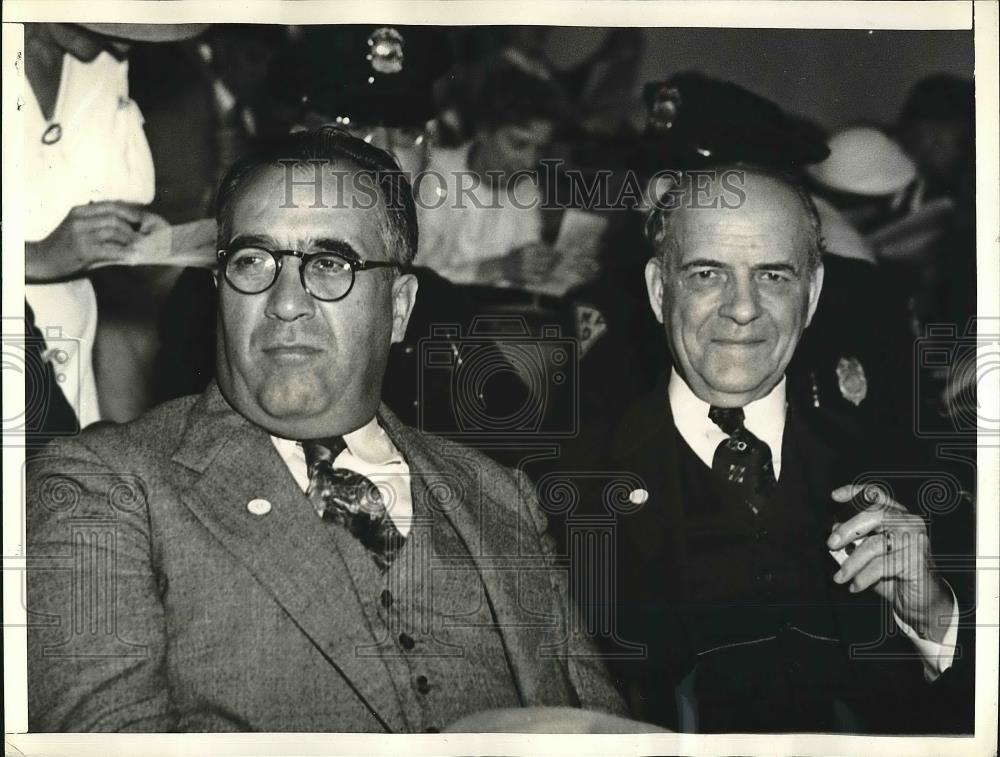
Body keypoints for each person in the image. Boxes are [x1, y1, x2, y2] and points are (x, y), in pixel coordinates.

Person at [25, 128, 642, 733]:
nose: (286, 300)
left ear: (399, 308)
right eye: (251, 260)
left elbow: (598, 729)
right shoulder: (104, 486)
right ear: (220, 292)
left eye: (329, 263)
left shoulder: (503, 495)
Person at [563, 166, 973, 733]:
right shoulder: (563, 489)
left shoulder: (907, 474)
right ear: (660, 291)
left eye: (773, 277)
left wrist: (933, 618)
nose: (743, 308)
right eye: (707, 274)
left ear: (813, 293)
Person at [23, 22, 208, 439]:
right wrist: (34, 256)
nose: (125, 42)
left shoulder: (104, 59)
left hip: (73, 329)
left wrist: (128, 234)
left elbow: (110, 189)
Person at [415, 49, 570, 288]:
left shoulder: (526, 189)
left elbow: (524, 274)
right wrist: (500, 267)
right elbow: (416, 276)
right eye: (519, 144)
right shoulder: (433, 175)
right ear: (484, 131)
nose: (530, 162)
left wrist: (552, 267)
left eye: (540, 149)